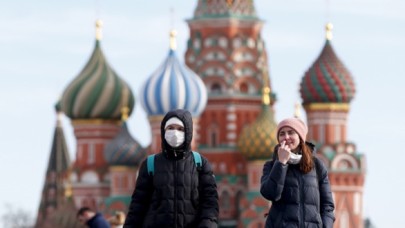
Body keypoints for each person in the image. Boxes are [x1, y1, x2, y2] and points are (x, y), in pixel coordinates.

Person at [124, 109, 219, 228]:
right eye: (170, 128)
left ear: (188, 132)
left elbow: (210, 202)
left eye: (180, 129)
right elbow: (138, 206)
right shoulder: (150, 164)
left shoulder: (200, 164)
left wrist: (207, 225)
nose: (175, 133)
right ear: (163, 131)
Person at [260, 117, 335, 228]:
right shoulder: (271, 166)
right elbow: (271, 194)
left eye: (291, 133)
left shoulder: (317, 166)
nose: (286, 137)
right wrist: (281, 163)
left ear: (300, 137)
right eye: (282, 134)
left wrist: (325, 226)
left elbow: (327, 205)